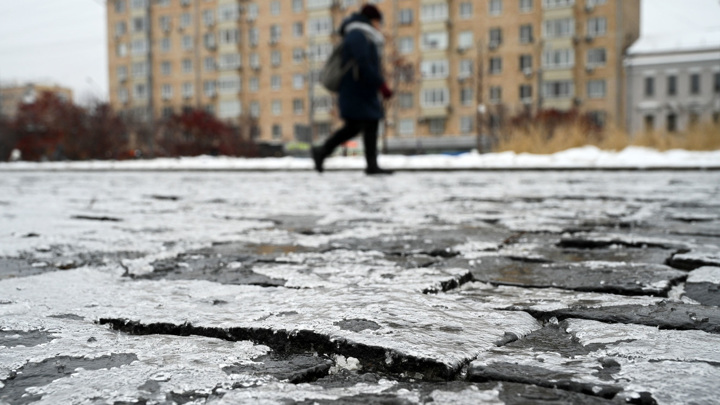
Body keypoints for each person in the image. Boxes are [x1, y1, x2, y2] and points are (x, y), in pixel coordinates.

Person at [311, 4, 394, 175]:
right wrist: (381, 84)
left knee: (366, 124)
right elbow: (363, 63)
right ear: (373, 20)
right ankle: (323, 151)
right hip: (356, 90)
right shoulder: (357, 34)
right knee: (357, 125)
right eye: (379, 21)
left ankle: (369, 164)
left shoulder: (362, 35)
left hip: (362, 89)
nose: (379, 26)